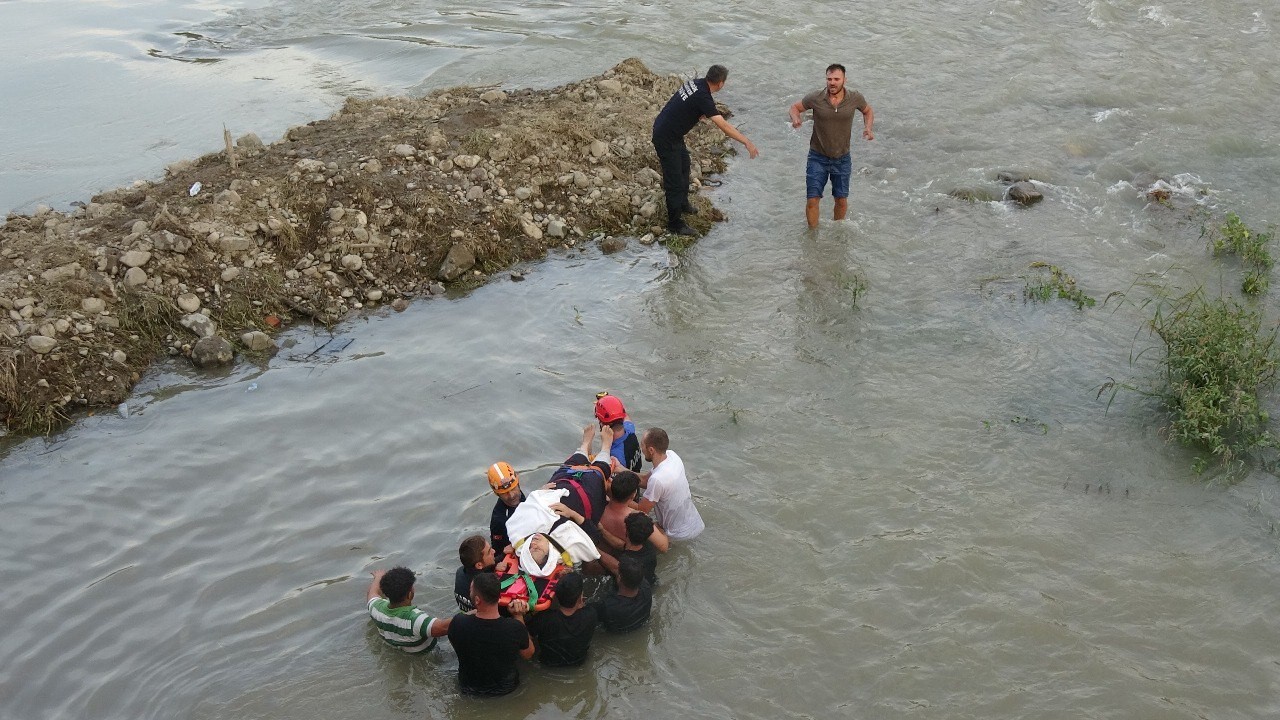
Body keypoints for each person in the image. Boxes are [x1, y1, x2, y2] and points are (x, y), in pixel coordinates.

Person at [652, 64, 759, 237]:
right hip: (665, 137)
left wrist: (696, 112)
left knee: (685, 166)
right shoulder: (703, 96)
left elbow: (684, 102)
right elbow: (723, 125)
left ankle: (684, 204)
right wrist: (746, 141)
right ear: (721, 83)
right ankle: (675, 224)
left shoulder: (697, 83)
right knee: (674, 182)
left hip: (670, 131)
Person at [788, 63, 874, 228]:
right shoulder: (815, 98)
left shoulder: (855, 97)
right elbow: (795, 107)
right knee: (812, 200)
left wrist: (868, 128)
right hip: (817, 156)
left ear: (844, 80)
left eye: (836, 79)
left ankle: (838, 234)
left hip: (842, 158)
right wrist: (796, 118)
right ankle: (812, 238)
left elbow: (867, 111)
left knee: (841, 200)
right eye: (829, 79)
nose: (832, 82)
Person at [447, 572, 535, 696]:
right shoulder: (514, 628)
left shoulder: (458, 623)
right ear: (499, 596)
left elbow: (455, 644)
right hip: (507, 690)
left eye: (471, 590)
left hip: (468, 689)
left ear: (477, 600)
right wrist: (518, 615)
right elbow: (528, 654)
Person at [635, 428, 705, 541]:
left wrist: (614, 501)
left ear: (651, 450)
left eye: (642, 445)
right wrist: (620, 470)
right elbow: (645, 480)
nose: (641, 448)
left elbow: (641, 511)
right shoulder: (672, 456)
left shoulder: (657, 479)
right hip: (695, 523)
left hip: (677, 536)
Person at [517, 572, 598, 666]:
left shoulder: (544, 618)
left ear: (555, 595)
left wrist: (518, 616)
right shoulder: (591, 614)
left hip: (547, 665)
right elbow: (581, 605)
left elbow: (525, 645)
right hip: (579, 663)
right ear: (580, 598)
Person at [366, 567, 451, 654]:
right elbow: (447, 626)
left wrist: (378, 577)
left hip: (401, 649)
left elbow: (372, 592)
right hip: (431, 654)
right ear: (409, 594)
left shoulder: (375, 609)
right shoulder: (416, 620)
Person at [600, 469, 669, 557]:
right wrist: (662, 530)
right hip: (630, 560)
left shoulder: (599, 509)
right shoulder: (637, 519)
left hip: (606, 558)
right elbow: (664, 547)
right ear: (633, 495)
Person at [591, 555, 652, 633]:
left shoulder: (607, 607)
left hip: (614, 633)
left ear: (619, 578)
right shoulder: (646, 587)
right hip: (636, 624)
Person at [595, 393, 641, 472]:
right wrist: (607, 402)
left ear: (602, 424)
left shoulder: (613, 458)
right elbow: (625, 417)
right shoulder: (630, 431)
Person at [487, 461, 525, 553]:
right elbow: (498, 552)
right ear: (496, 493)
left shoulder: (519, 495)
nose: (511, 495)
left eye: (513, 489)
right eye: (505, 493)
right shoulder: (499, 521)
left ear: (518, 482)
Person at [455, 534, 496, 612]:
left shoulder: (460, 571)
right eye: (489, 552)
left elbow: (487, 566)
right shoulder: (486, 585)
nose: (494, 551)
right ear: (479, 565)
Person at [620, 512, 661, 586]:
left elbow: (612, 566)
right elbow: (622, 545)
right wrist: (603, 531)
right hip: (651, 583)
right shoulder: (650, 546)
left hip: (636, 589)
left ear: (627, 533)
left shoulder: (627, 561)